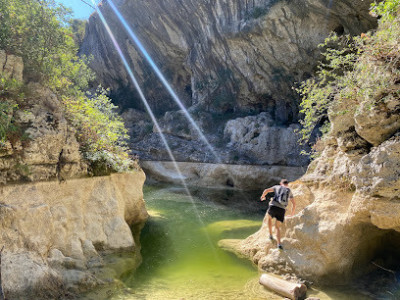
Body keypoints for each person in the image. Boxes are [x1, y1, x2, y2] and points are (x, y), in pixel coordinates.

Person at [260, 179, 296, 250]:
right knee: (277, 227)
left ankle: (270, 235)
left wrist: (263, 196)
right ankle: (279, 244)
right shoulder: (289, 191)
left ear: (281, 183)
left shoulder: (277, 187)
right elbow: (294, 204)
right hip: (282, 210)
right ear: (287, 184)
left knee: (269, 218)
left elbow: (266, 190)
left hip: (273, 206)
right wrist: (292, 214)